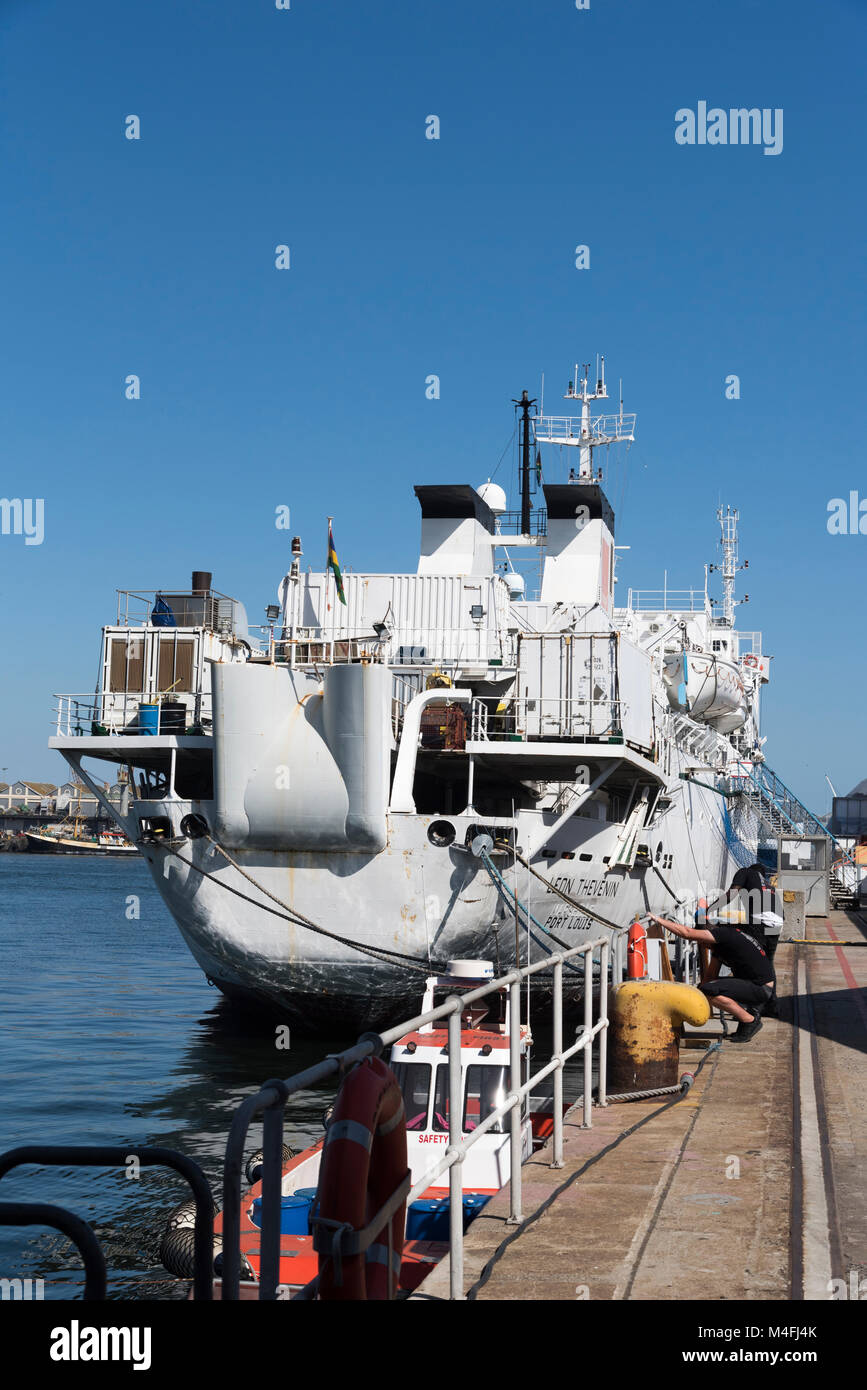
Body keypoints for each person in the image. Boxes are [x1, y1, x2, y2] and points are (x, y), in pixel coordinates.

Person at [648, 911, 775, 1043]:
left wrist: (659, 920)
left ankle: (749, 1020)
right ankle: (746, 1020)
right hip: (756, 984)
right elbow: (709, 978)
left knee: (709, 991)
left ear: (706, 936)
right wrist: (692, 997)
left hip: (761, 988)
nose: (702, 946)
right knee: (707, 989)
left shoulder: (723, 934)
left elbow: (687, 932)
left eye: (701, 941)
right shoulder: (721, 947)